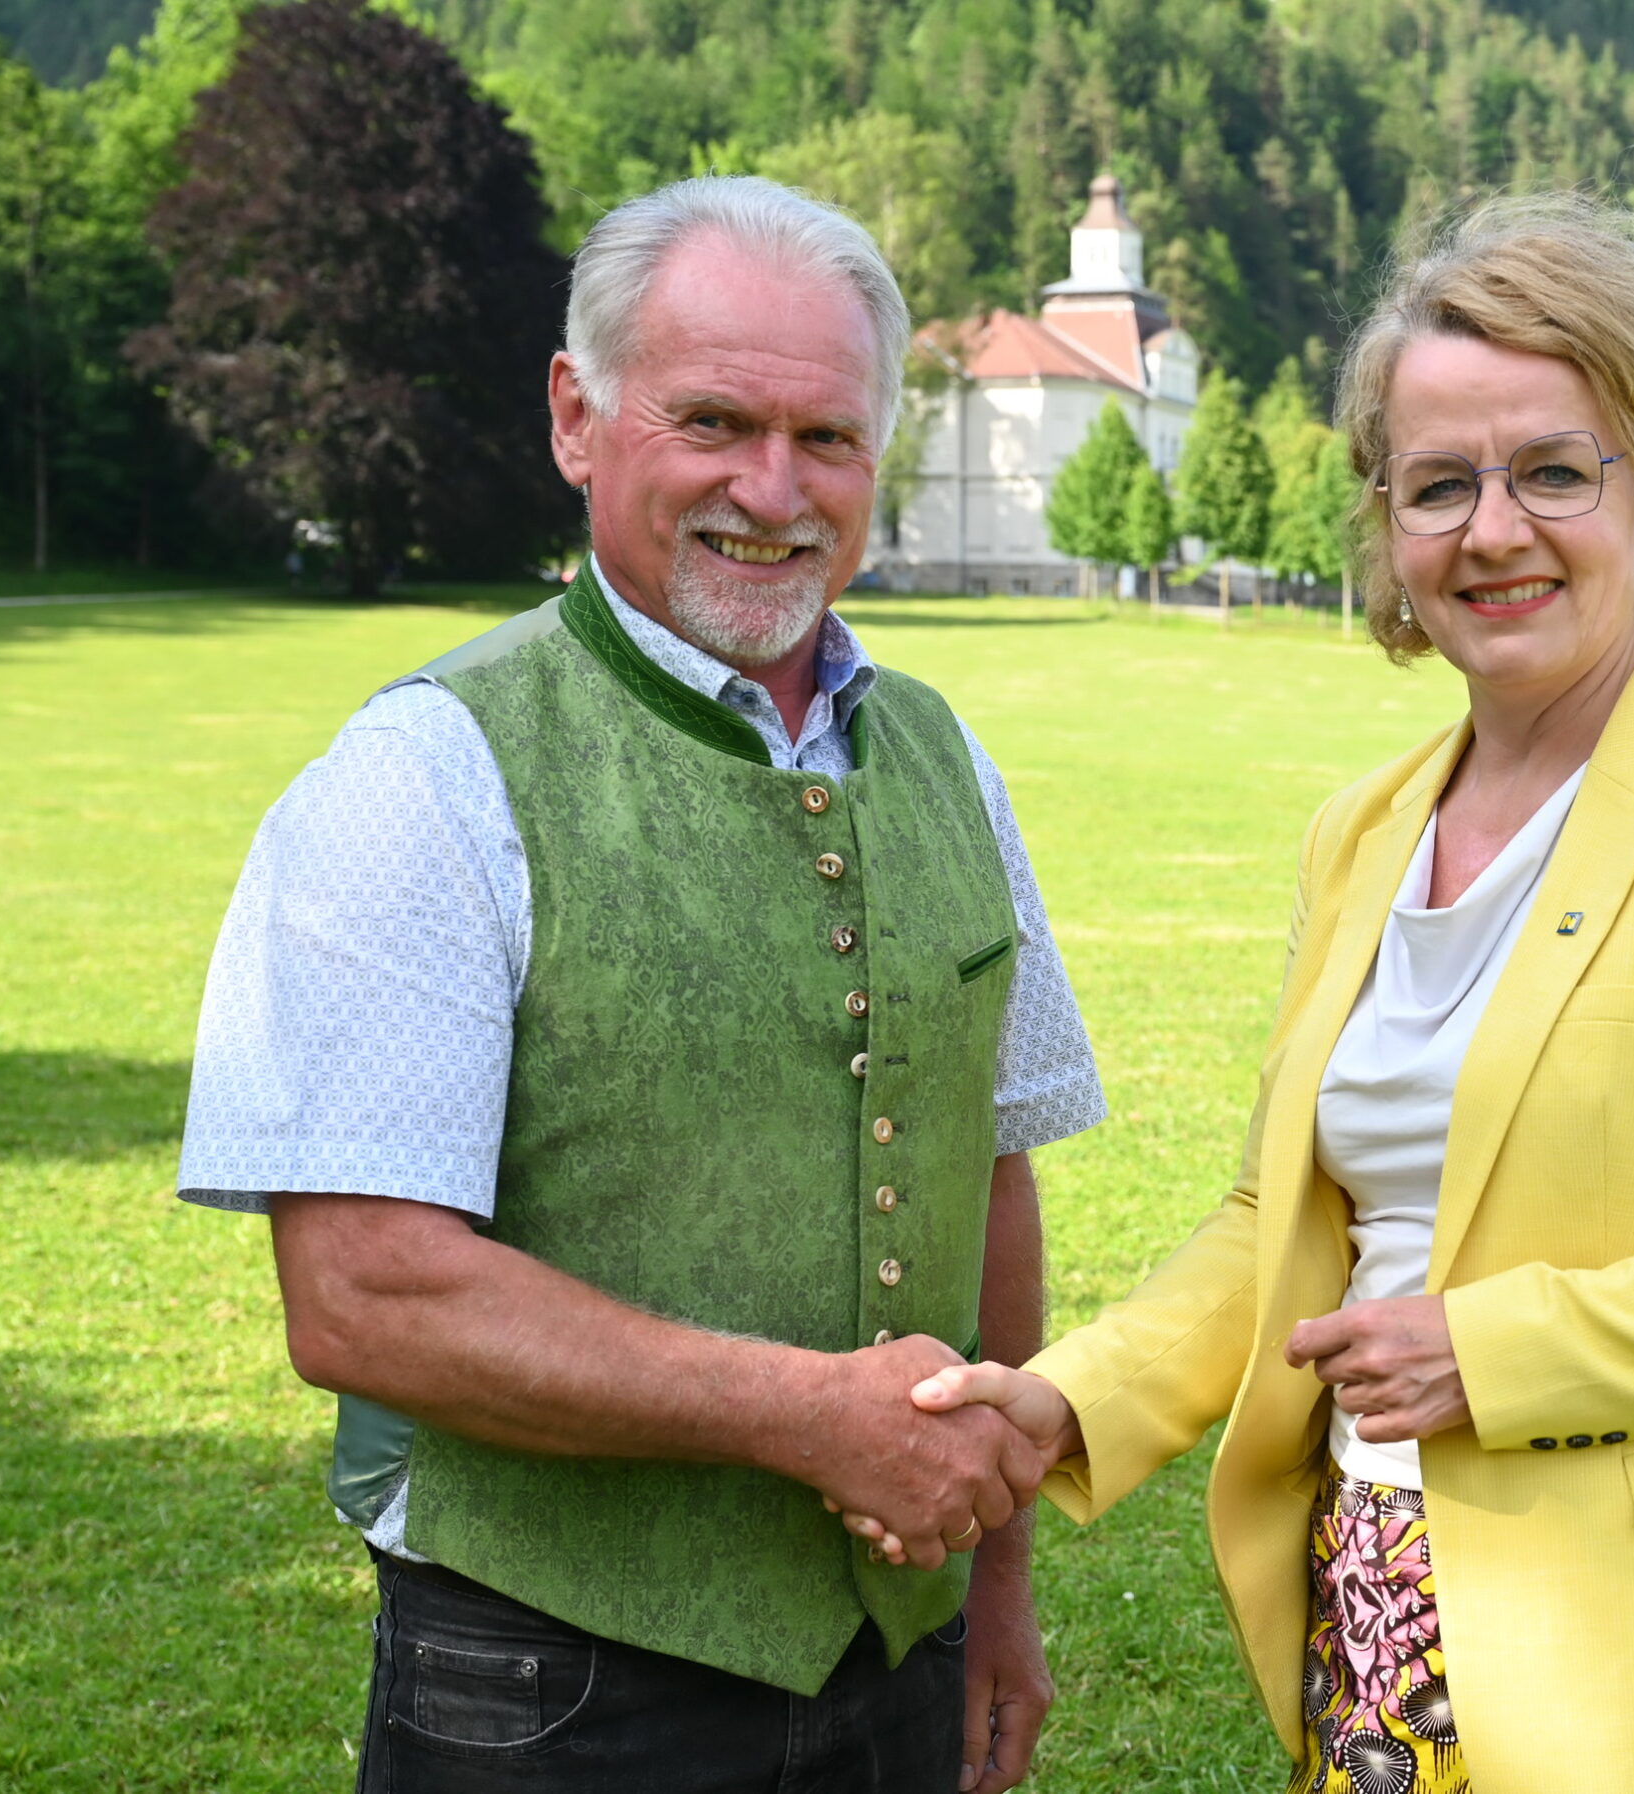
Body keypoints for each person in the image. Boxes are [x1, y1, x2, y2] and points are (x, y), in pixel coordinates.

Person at [850, 194, 1634, 1792]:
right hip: (1385, 1607)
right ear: (1387, 528)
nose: (1494, 528)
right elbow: (1281, 1221)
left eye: (1553, 469)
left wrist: (1506, 1349)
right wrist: (1063, 1402)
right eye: (1439, 484)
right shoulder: (1366, 829)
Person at [174, 176, 1104, 1794]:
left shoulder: (946, 757)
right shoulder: (431, 771)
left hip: (900, 1661)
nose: (774, 487)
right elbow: (364, 1292)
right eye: (715, 421)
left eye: (829, 438)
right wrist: (808, 1413)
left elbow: (990, 1176)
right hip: (552, 1687)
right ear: (576, 417)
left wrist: (996, 1583)